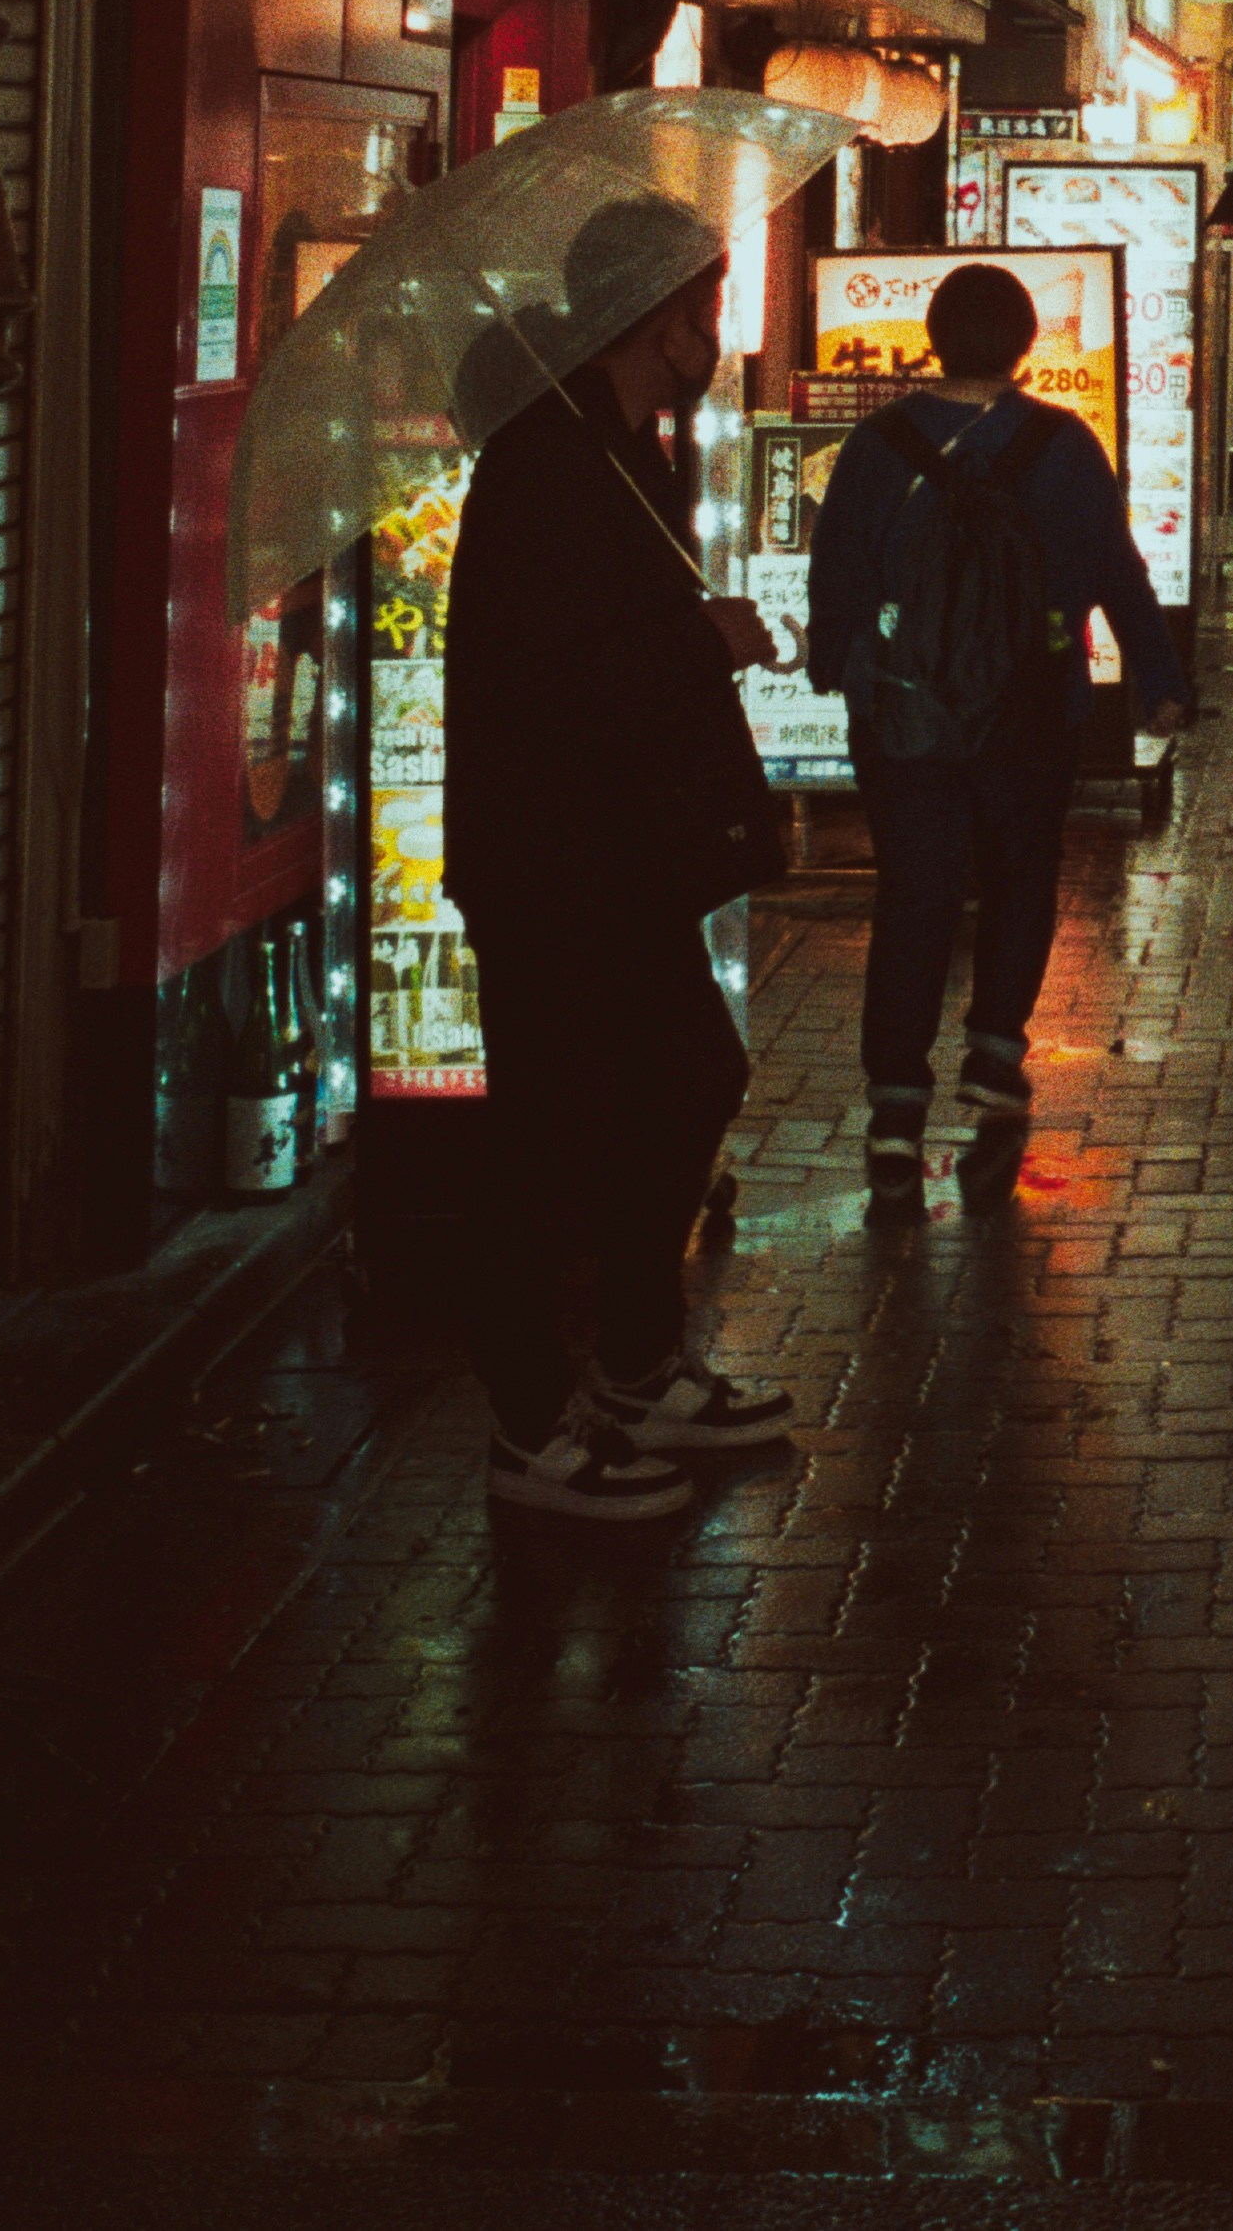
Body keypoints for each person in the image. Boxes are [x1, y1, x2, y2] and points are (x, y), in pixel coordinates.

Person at [443, 194, 801, 1522]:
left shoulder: (617, 447)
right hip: (552, 861)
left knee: (687, 1078)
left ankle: (639, 1366)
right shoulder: (546, 460)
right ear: (665, 316)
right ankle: (533, 1422)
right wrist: (695, 643)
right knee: (552, 1131)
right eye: (706, 305)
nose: (716, 330)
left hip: (614, 856)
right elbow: (554, 674)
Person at [805, 257, 1183, 1194]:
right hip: (1030, 711)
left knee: (915, 895)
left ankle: (896, 1112)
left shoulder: (876, 445)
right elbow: (1118, 571)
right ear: (1026, 342)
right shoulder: (1063, 445)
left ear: (931, 336)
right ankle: (992, 1057)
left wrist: (828, 665)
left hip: (903, 719)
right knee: (1020, 878)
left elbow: (839, 572)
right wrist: (1159, 681)